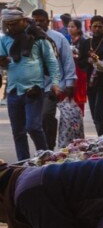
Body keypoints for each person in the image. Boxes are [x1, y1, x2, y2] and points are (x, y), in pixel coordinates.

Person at [0, 8, 60, 161]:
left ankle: (45, 157)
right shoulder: (4, 39)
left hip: (34, 90)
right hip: (13, 90)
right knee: (18, 132)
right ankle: (23, 163)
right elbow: (3, 61)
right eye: (8, 25)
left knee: (33, 127)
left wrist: (54, 82)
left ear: (24, 21)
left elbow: (51, 61)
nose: (11, 27)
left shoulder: (38, 37)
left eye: (14, 24)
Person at [31, 10, 76, 148]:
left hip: (53, 85)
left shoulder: (58, 38)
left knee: (46, 115)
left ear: (48, 21)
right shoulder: (27, 37)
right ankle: (42, 147)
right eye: (35, 21)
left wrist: (69, 83)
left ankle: (49, 147)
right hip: (33, 86)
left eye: (41, 20)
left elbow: (67, 60)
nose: (38, 23)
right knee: (33, 123)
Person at [84, 15, 103, 136]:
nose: (97, 29)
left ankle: (102, 136)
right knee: (94, 113)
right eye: (95, 26)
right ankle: (100, 135)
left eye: (100, 26)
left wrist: (96, 61)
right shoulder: (86, 43)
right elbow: (80, 61)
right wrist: (88, 61)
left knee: (98, 112)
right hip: (90, 83)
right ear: (90, 27)